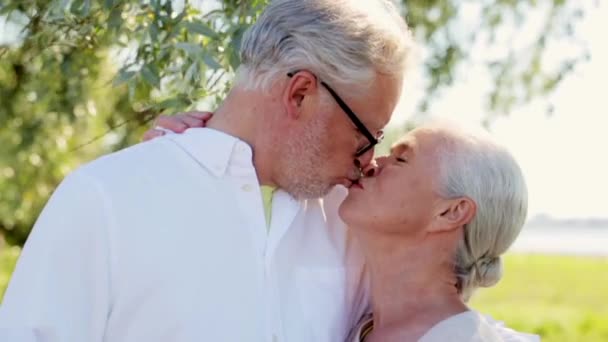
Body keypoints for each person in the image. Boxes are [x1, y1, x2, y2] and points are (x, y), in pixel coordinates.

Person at [0, 1, 412, 341]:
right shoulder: (103, 199)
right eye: (366, 134)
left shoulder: (351, 226)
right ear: (300, 93)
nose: (369, 160)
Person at [148, 117, 539, 341]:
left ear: (451, 212)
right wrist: (198, 151)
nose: (373, 162)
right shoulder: (350, 326)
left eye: (401, 159)